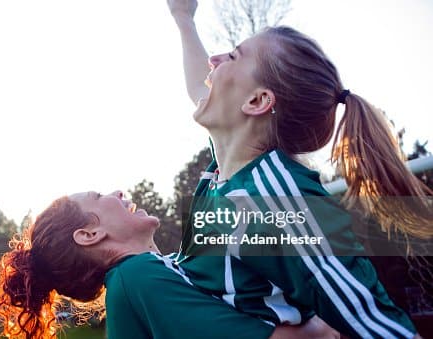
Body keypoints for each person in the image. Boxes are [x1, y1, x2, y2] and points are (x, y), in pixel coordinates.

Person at [167, 0, 432, 338]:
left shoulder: (276, 198)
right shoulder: (226, 171)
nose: (214, 61)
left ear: (257, 102)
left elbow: (375, 323)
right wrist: (183, 18)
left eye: (232, 56)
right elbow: (201, 87)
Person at [0, 190, 339, 339]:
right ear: (89, 234)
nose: (118, 194)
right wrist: (334, 317)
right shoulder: (137, 277)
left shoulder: (160, 270)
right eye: (98, 196)